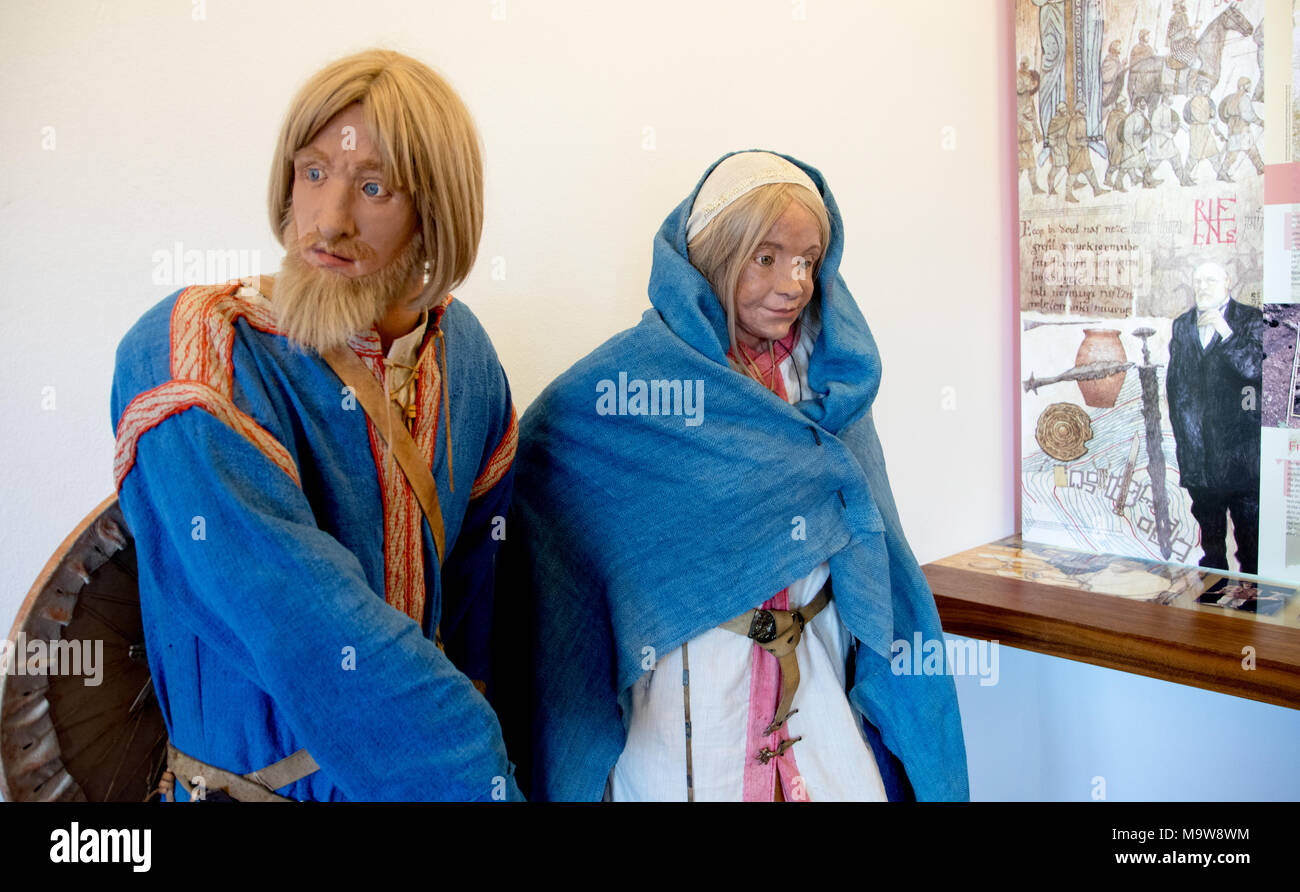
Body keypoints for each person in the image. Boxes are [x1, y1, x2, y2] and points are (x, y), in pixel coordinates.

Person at [110, 49, 523, 801]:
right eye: (312, 173)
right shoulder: (193, 349)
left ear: (437, 213)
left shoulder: (468, 364)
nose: (328, 223)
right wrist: (474, 773)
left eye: (372, 188)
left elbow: (477, 610)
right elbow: (290, 610)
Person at [501, 151, 969, 802]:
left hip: (818, 691)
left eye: (808, 260)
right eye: (767, 256)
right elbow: (555, 535)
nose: (793, 283)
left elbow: (874, 545)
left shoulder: (834, 387)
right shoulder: (620, 396)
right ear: (712, 254)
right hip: (685, 711)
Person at [1165, 262, 1263, 575]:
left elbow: (1253, 370)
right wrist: (1187, 442)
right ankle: (1212, 596)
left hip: (1240, 457)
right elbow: (1177, 388)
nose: (1203, 286)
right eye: (1198, 281)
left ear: (1228, 282)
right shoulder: (1182, 325)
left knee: (1250, 541)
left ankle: (1253, 601)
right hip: (1200, 458)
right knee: (1211, 545)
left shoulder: (1250, 319)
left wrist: (1225, 330)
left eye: (1210, 280)